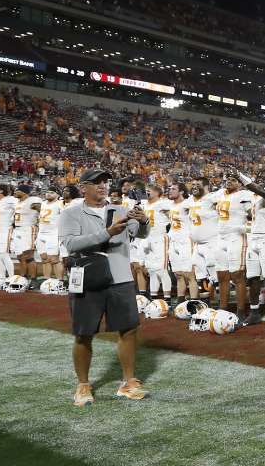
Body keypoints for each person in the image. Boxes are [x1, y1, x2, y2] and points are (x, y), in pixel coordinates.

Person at [58, 169, 149, 406]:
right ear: (83, 187)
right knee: (83, 333)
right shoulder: (71, 213)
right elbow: (70, 243)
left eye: (105, 182)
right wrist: (106, 232)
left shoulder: (120, 210)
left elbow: (139, 235)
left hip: (120, 276)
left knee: (128, 329)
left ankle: (128, 382)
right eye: (96, 182)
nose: (102, 186)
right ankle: (83, 385)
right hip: (88, 277)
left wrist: (143, 221)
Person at [240, 170, 265, 328]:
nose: (260, 180)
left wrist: (244, 179)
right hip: (254, 238)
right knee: (252, 278)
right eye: (259, 177)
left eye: (263, 178)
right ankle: (254, 312)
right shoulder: (254, 196)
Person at [215, 175, 254, 314]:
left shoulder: (244, 195)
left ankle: (240, 311)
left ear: (240, 183)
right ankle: (223, 309)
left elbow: (253, 215)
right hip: (221, 237)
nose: (229, 182)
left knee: (237, 275)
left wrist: (246, 228)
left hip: (236, 237)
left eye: (233, 180)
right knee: (222, 275)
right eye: (228, 179)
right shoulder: (220, 194)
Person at [140, 184, 174, 303]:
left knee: (162, 270)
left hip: (160, 238)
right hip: (148, 238)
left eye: (149, 190)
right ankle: (154, 299)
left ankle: (167, 300)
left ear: (157, 192)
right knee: (152, 270)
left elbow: (176, 209)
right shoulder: (144, 204)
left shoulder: (163, 203)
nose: (146, 192)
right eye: (146, 190)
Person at [165, 183, 197, 305]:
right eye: (169, 188)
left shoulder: (188, 203)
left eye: (173, 189)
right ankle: (180, 303)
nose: (170, 191)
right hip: (173, 241)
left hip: (186, 240)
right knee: (178, 274)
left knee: (189, 274)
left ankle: (194, 304)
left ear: (182, 192)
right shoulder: (169, 204)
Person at [11, 184, 42, 282]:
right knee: (20, 256)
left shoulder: (33, 200)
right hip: (18, 229)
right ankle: (23, 277)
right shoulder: (16, 202)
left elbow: (43, 211)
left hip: (29, 229)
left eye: (17, 190)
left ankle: (33, 279)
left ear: (24, 192)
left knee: (28, 256)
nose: (15, 192)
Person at [36, 188, 66, 281]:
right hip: (41, 233)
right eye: (47, 192)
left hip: (53, 233)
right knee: (44, 259)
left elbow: (65, 217)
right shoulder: (43, 203)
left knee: (54, 259)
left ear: (58, 195)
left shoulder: (60, 203)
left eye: (52, 192)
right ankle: (47, 280)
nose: (49, 194)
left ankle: (59, 281)